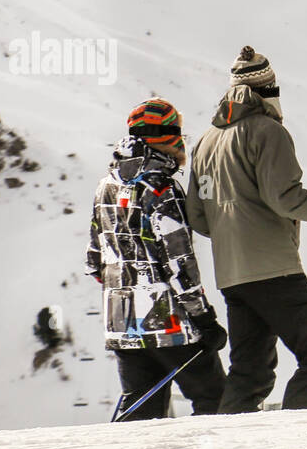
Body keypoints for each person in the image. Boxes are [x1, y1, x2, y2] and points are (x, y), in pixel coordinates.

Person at [186, 46, 307, 413]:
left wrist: (234, 232)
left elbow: (198, 218)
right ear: (268, 90)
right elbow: (285, 199)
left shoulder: (205, 143)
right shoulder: (268, 132)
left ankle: (230, 445)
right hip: (274, 270)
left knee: (251, 372)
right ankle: (296, 440)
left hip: (231, 275)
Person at [86, 99, 228, 420]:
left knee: (141, 411)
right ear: (163, 137)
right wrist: (205, 319)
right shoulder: (162, 189)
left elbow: (95, 261)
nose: (182, 143)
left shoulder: (105, 187)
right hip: (169, 322)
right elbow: (179, 264)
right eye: (177, 132)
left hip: (122, 325)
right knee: (216, 400)